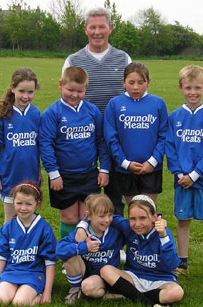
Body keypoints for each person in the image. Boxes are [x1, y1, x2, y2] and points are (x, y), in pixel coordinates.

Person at [63, 7, 131, 217]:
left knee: (114, 199)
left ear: (110, 28)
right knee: (87, 201)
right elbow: (66, 97)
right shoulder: (73, 60)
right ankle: (87, 245)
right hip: (83, 138)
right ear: (85, 29)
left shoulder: (123, 59)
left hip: (116, 139)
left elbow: (133, 96)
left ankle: (115, 248)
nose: (97, 32)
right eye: (92, 27)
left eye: (102, 26)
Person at [165, 64, 203, 286]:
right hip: (182, 181)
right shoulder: (175, 116)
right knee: (183, 221)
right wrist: (180, 173)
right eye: (188, 87)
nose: (193, 92)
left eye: (197, 87)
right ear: (181, 88)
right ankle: (182, 263)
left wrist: (196, 174)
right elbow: (169, 147)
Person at [78, 195, 184, 307]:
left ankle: (127, 295)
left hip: (160, 280)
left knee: (176, 293)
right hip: (133, 277)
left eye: (143, 218)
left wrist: (163, 235)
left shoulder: (162, 232)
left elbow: (171, 265)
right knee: (106, 270)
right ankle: (148, 302)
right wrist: (83, 225)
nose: (137, 223)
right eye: (132, 218)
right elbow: (100, 215)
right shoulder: (127, 226)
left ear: (154, 217)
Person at [39, 66, 110, 241]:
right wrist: (53, 174)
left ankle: (87, 253)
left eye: (80, 91)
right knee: (70, 217)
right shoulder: (52, 113)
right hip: (63, 176)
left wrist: (104, 169)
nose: (74, 95)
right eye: (70, 90)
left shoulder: (92, 111)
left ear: (86, 88)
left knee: (87, 216)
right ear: (60, 85)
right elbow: (45, 144)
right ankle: (69, 256)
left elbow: (102, 141)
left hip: (89, 174)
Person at [104, 62, 168, 205]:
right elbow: (111, 138)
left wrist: (152, 161)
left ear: (149, 82)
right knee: (134, 210)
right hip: (126, 169)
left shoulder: (158, 103)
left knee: (149, 211)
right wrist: (125, 163)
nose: (136, 87)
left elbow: (164, 136)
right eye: (131, 82)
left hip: (152, 168)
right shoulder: (114, 104)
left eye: (141, 82)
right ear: (123, 82)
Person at [0, 181, 57, 306]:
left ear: (37, 204)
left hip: (33, 274)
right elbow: (1, 259)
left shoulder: (44, 228)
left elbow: (50, 262)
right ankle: (13, 290)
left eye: (28, 204)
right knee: (0, 299)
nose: (23, 208)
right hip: (12, 272)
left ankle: (36, 296)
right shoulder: (7, 228)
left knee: (20, 302)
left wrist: (47, 293)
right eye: (19, 203)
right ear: (13, 202)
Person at [0, 67, 41, 223]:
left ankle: (27, 248)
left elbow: (37, 147)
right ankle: (8, 248)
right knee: (10, 219)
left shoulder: (36, 113)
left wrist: (38, 170)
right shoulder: (2, 116)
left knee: (29, 218)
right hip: (10, 176)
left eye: (30, 92)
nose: (26, 96)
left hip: (30, 176)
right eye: (21, 91)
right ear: (12, 88)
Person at [56, 194, 125, 304]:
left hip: (106, 274)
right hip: (84, 271)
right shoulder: (82, 233)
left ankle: (109, 291)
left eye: (110, 215)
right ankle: (76, 289)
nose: (107, 220)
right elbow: (60, 249)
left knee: (88, 287)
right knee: (70, 256)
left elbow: (134, 226)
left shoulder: (116, 230)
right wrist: (83, 247)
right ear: (88, 216)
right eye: (101, 216)